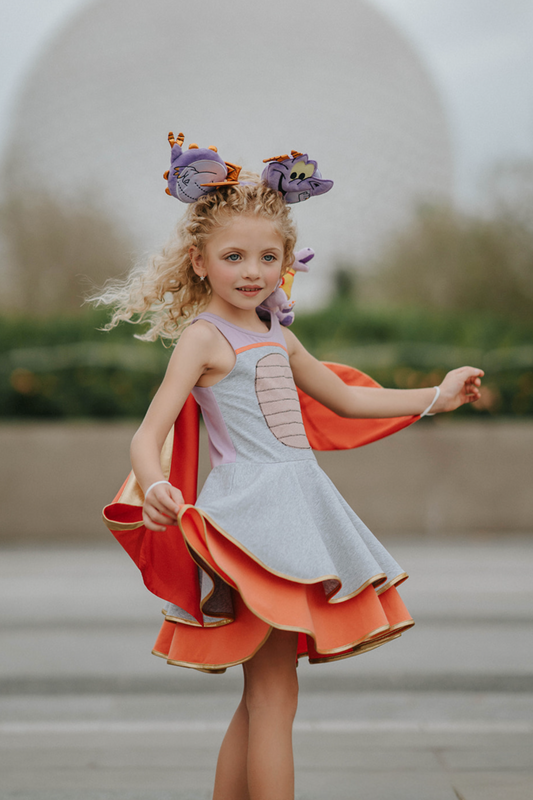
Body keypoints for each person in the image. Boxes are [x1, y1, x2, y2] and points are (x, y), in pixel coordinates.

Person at [97, 134, 483, 800]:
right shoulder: (202, 339)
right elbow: (147, 435)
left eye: (267, 256)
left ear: (286, 261)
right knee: (275, 695)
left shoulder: (277, 333)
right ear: (199, 261)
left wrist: (434, 397)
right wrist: (156, 481)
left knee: (263, 696)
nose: (252, 271)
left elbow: (345, 398)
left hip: (294, 512)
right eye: (233, 256)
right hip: (252, 521)